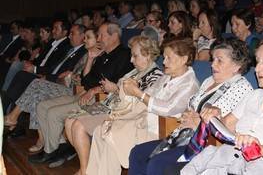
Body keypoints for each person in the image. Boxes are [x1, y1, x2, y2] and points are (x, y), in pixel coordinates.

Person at [128, 38, 253, 175]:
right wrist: (188, 115)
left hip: (205, 144)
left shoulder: (241, 88)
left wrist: (200, 124)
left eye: (219, 60)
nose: (212, 65)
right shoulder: (209, 80)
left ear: (236, 66)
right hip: (183, 135)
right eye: (213, 59)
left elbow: (232, 128)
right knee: (137, 152)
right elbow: (191, 107)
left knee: (158, 163)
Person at [181, 37, 263, 175]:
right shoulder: (254, 96)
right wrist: (216, 114)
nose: (257, 69)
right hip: (229, 161)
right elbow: (225, 127)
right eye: (257, 62)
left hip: (260, 167)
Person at [87, 38, 200, 175]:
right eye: (164, 57)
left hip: (160, 130)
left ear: (184, 59)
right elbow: (146, 97)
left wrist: (138, 93)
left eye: (169, 58)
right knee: (101, 130)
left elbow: (167, 109)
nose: (163, 62)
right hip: (143, 122)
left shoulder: (189, 85)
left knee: (111, 136)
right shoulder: (166, 76)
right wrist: (131, 92)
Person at [28, 22, 134, 167]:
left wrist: (93, 89)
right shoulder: (103, 55)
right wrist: (90, 58)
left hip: (99, 99)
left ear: (114, 36)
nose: (99, 39)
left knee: (53, 113)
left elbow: (117, 85)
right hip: (84, 93)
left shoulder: (125, 55)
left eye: (101, 35)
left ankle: (50, 151)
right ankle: (53, 146)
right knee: (42, 106)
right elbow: (86, 79)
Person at [65, 36, 163, 175]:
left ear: (147, 55)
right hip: (109, 106)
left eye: (135, 56)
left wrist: (116, 89)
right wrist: (114, 89)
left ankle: (85, 171)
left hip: (122, 115)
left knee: (78, 126)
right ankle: (85, 167)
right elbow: (120, 91)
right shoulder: (135, 71)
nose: (131, 60)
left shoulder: (155, 76)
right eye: (131, 55)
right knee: (69, 121)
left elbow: (140, 104)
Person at [5, 28, 97, 153]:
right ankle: (39, 136)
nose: (85, 40)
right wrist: (71, 75)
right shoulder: (85, 53)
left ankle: (13, 118)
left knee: (36, 85)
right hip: (64, 84)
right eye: (85, 37)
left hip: (73, 90)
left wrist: (71, 76)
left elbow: (83, 80)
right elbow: (67, 72)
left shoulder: (91, 54)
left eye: (88, 37)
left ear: (97, 39)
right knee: (37, 89)